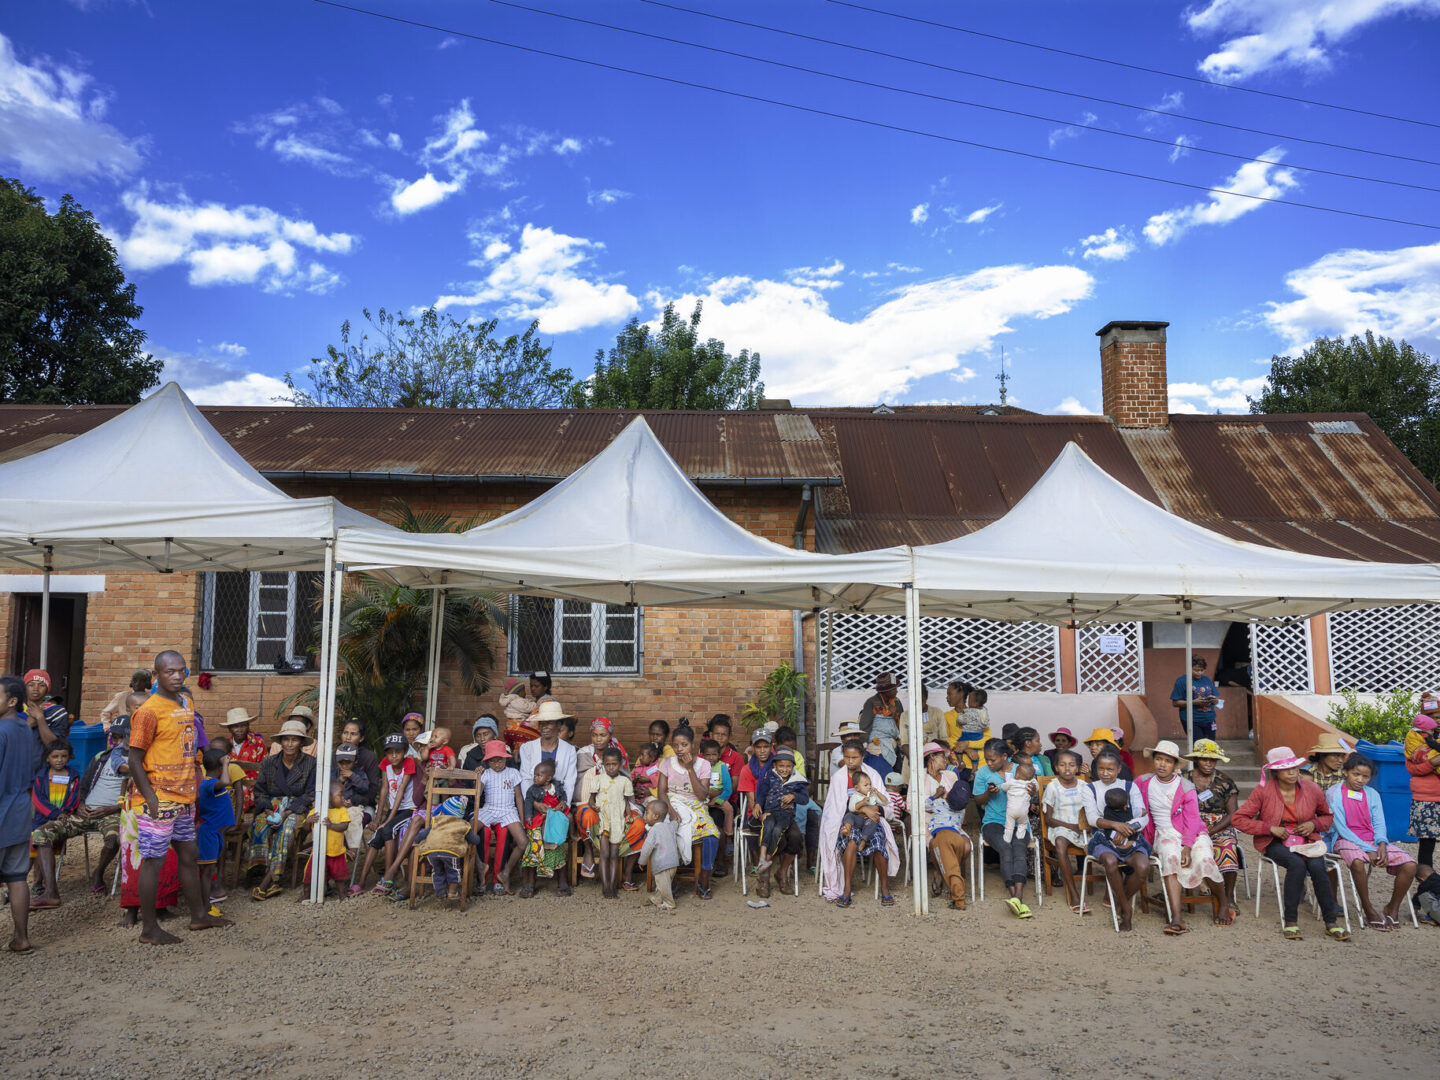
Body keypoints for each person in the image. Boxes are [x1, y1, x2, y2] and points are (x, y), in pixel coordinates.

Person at [127, 650, 230, 944]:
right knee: (154, 861)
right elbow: (135, 760)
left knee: (189, 854)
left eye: (181, 671)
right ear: (155, 674)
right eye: (169, 671)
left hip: (184, 797)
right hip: (158, 798)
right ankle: (149, 929)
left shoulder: (186, 702)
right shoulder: (147, 711)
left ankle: (199, 916)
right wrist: (151, 798)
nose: (176, 676)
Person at [1234, 745, 1349, 941]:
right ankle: (1291, 922)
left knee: (1318, 867)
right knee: (1296, 864)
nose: (1293, 772)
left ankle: (1331, 923)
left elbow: (1327, 817)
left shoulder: (1312, 789)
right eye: (1286, 769)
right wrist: (1268, 828)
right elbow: (1239, 819)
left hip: (1307, 840)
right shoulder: (1263, 791)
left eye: (1295, 767)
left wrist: (1313, 824)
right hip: (1273, 841)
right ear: (1275, 772)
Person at [1138, 740, 1224, 935]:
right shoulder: (1142, 782)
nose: (1162, 764)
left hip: (1191, 832)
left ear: (1175, 765)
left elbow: (1193, 819)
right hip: (1163, 832)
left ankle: (1224, 903)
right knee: (1170, 857)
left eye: (1168, 761)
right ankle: (1177, 917)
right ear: (1153, 760)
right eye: (1158, 759)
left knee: (1204, 858)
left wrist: (1187, 845)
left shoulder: (1185, 786)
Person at [1327, 753, 1417, 930]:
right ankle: (1368, 909)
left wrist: (1382, 844)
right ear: (1346, 772)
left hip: (1373, 840)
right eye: (1356, 774)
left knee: (1410, 865)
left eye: (1365, 776)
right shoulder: (1333, 793)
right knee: (1358, 862)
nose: (1360, 779)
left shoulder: (1372, 794)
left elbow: (1379, 822)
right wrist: (1367, 848)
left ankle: (1392, 908)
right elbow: (1341, 827)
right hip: (1345, 839)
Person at [819, 742, 899, 908]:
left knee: (878, 841)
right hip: (848, 820)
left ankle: (885, 888)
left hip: (872, 819)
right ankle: (846, 890)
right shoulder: (838, 778)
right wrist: (862, 809)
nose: (850, 761)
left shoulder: (872, 775)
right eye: (847, 757)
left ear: (862, 757)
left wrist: (873, 810)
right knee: (851, 841)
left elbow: (886, 803)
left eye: (854, 757)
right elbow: (834, 808)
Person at [247, 718, 317, 901]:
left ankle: (269, 881)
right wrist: (271, 813)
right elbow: (260, 792)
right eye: (286, 739)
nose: (290, 744)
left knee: (286, 830)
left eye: (294, 740)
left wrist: (286, 813)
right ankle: (260, 869)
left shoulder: (310, 763)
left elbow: (309, 794)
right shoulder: (269, 763)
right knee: (261, 826)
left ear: (301, 742)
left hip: (297, 808)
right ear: (281, 741)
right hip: (272, 805)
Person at [1081, 749, 1150, 932]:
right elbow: (1092, 818)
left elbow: (1143, 816)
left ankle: (1120, 902)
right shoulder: (1090, 788)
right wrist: (1115, 825)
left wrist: (1127, 829)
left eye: (1110, 769)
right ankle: (1127, 910)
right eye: (1101, 769)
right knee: (1110, 861)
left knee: (1143, 866)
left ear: (1119, 769)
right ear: (1096, 769)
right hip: (1103, 837)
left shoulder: (1130, 786)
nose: (1105, 773)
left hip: (1131, 836)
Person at [971, 738, 1034, 918]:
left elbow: (1034, 794)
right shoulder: (983, 773)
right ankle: (1015, 897)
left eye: (993, 759)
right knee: (1006, 848)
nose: (989, 763)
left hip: (1019, 822)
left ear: (1005, 756)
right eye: (987, 759)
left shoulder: (1020, 770)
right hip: (993, 822)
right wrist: (988, 794)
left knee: (1019, 849)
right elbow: (977, 801)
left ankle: (1018, 899)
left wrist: (1032, 792)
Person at [656, 727, 721, 899]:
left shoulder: (704, 764)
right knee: (668, 832)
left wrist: (690, 768)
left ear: (692, 745)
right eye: (676, 745)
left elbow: (702, 795)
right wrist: (670, 809)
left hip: (696, 806)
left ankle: (704, 878)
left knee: (712, 834)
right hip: (672, 804)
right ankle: (673, 878)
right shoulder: (667, 763)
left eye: (684, 745)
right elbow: (661, 791)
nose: (680, 749)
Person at [1184, 739, 1242, 925]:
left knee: (1228, 847)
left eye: (1212, 760)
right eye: (1204, 759)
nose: (1208, 763)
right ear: (1196, 760)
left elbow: (1233, 814)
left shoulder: (1225, 782)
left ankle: (1229, 895)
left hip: (1219, 826)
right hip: (1189, 825)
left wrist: (1210, 830)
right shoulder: (1184, 779)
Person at [0, 675, 38, 952]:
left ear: (12, 701)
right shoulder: (25, 728)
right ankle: (21, 937)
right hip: (22, 808)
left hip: (3, 808)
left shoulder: (1, 730)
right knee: (16, 876)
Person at [359, 733, 424, 895]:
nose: (394, 756)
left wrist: (388, 820)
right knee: (376, 837)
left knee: (388, 830)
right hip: (392, 809)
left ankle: (389, 880)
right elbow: (384, 790)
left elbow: (401, 791)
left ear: (404, 752)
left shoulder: (409, 763)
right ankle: (360, 883)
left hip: (408, 809)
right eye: (390, 752)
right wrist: (379, 818)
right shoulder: (385, 764)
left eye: (398, 752)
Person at [921, 742, 972, 910]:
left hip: (942, 836)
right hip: (954, 832)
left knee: (949, 868)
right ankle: (949, 883)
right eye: (944, 756)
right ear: (932, 757)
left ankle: (958, 899)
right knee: (953, 862)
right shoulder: (959, 809)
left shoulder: (940, 802)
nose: (947, 759)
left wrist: (937, 796)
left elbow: (927, 805)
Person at [753, 747, 808, 897]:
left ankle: (782, 873)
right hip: (768, 815)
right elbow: (761, 793)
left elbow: (804, 798)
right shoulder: (769, 776)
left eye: (788, 766)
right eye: (781, 766)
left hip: (786, 817)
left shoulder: (797, 779)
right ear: (775, 765)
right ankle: (764, 878)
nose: (784, 769)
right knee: (771, 833)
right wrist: (758, 804)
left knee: (796, 837)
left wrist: (793, 796)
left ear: (793, 767)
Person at [474, 740, 525, 895]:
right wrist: (477, 778)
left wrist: (521, 820)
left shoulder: (513, 773)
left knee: (523, 842)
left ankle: (505, 872)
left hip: (508, 810)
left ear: (506, 759)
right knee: (466, 833)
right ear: (487, 761)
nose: (496, 764)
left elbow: (518, 797)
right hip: (489, 809)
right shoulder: (486, 774)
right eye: (492, 761)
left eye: (500, 760)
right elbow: (477, 795)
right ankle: (480, 866)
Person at [1041, 749, 1089, 913]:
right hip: (1060, 826)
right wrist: (1071, 827)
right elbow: (1048, 820)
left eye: (1071, 765)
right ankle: (1074, 893)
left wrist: (1082, 827)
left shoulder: (1084, 786)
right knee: (1061, 843)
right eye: (1062, 765)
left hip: (1083, 828)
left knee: (1104, 843)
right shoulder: (1053, 787)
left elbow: (1091, 810)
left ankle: (1109, 896)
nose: (1067, 768)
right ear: (1056, 767)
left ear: (1077, 768)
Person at [583, 747, 633, 899]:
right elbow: (591, 799)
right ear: (603, 764)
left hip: (617, 820)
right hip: (604, 820)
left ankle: (613, 886)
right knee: (604, 854)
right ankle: (605, 887)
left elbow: (627, 802)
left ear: (621, 764)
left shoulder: (625, 781)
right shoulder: (598, 779)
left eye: (614, 764)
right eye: (608, 764)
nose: (611, 767)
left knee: (614, 855)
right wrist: (592, 806)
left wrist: (629, 815)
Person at [520, 758, 571, 897]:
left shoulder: (558, 787)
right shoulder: (532, 790)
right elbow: (528, 803)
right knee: (534, 845)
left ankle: (562, 883)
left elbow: (564, 797)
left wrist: (563, 803)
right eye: (535, 774)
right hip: (539, 820)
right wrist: (528, 816)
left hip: (554, 820)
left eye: (539, 775)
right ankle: (530, 884)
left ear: (548, 778)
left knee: (557, 845)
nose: (535, 777)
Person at [193, 746, 233, 919]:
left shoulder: (211, 784)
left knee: (209, 870)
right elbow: (224, 782)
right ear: (219, 767)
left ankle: (205, 905)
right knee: (207, 871)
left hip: (214, 833)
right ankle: (205, 906)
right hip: (208, 834)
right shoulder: (209, 782)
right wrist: (226, 764)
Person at [302, 782, 355, 900]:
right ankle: (306, 895)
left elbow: (344, 826)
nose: (343, 798)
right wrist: (308, 821)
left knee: (340, 877)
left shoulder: (342, 810)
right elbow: (306, 829)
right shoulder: (317, 810)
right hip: (319, 852)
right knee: (310, 875)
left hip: (337, 852)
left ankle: (342, 895)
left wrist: (331, 825)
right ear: (329, 796)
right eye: (340, 795)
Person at [518, 702, 578, 800]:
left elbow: (569, 782)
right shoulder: (527, 748)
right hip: (534, 801)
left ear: (559, 725)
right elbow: (526, 779)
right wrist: (533, 803)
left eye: (549, 722)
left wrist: (563, 804)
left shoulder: (569, 750)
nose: (544, 726)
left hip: (558, 800)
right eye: (541, 723)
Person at [1404, 713, 1440, 871]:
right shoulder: (1413, 743)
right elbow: (1413, 769)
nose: (1438, 720)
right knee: (1427, 843)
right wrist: (1432, 763)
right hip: (1426, 799)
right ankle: (1426, 881)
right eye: (1434, 717)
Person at [219, 707, 268, 811]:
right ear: (229, 728)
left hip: (253, 786)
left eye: (243, 725)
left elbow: (264, 768)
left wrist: (247, 784)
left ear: (248, 726)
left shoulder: (257, 743)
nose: (240, 729)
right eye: (235, 726)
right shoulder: (225, 745)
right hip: (230, 786)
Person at [698, 738, 734, 876]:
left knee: (729, 809)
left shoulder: (722, 767)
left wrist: (718, 800)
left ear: (719, 755)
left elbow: (728, 789)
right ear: (702, 755)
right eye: (707, 754)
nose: (711, 757)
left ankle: (729, 834)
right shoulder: (699, 767)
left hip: (719, 799)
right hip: (703, 800)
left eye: (714, 754)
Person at [637, 799, 678, 911]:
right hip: (673, 862)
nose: (645, 816)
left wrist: (642, 861)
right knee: (663, 884)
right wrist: (676, 820)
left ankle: (669, 903)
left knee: (663, 884)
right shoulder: (669, 827)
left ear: (655, 816)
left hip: (662, 863)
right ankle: (657, 898)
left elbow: (647, 848)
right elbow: (675, 824)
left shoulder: (654, 830)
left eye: (647, 813)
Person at [1170, 657, 1218, 742]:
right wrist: (1193, 702)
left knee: (1211, 746)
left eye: (1202, 670)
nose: (1199, 673)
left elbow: (1216, 697)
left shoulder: (1206, 679)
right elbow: (1175, 703)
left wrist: (1214, 700)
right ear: (1189, 668)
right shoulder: (1181, 681)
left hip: (1210, 718)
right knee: (1198, 746)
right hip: (1192, 720)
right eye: (1196, 670)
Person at [858, 672, 905, 753]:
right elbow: (864, 726)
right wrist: (862, 745)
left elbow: (903, 722)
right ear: (886, 691)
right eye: (894, 689)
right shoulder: (871, 702)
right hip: (876, 742)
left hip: (895, 740)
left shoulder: (897, 702)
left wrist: (895, 714)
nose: (897, 691)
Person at [22, 669, 71, 742]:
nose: (36, 689)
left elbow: (56, 745)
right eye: (31, 685)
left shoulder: (57, 712)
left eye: (41, 685)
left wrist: (40, 718)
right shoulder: (15, 710)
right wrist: (28, 725)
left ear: (47, 689)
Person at [499, 676, 540, 754]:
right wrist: (535, 705)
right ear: (518, 692)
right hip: (516, 725)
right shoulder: (516, 700)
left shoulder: (514, 700)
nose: (525, 693)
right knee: (535, 737)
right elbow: (527, 708)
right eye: (523, 691)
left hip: (512, 726)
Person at [1001, 761, 1037, 842]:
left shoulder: (1012, 781)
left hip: (1011, 810)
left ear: (1017, 774)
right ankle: (1020, 835)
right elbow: (1036, 787)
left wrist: (1004, 783)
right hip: (1023, 811)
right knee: (1023, 823)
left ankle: (1007, 838)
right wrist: (1033, 781)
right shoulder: (1030, 783)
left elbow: (1003, 787)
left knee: (1009, 825)